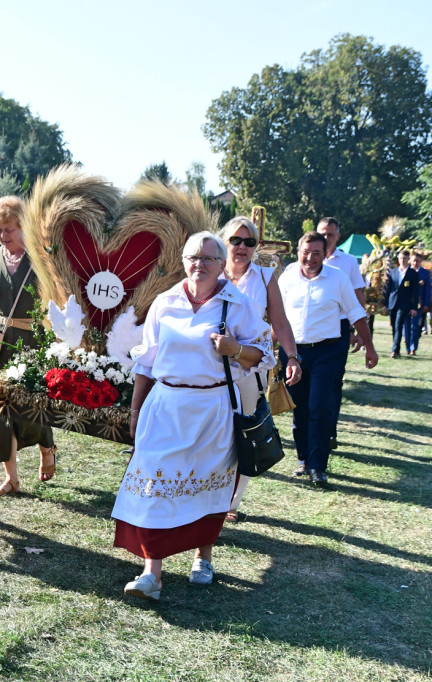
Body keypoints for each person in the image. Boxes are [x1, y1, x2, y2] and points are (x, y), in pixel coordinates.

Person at [112, 232, 273, 601]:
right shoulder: (165, 301)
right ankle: (151, 573)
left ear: (221, 265)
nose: (199, 264)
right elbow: (147, 360)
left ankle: (203, 556)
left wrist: (235, 349)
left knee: (207, 486)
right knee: (154, 481)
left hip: (211, 409)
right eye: (192, 258)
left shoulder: (237, 304)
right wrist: (135, 409)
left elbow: (264, 354)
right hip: (164, 407)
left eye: (208, 258)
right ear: (183, 262)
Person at [217, 216, 301, 522]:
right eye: (235, 241)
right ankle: (206, 491)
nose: (241, 247)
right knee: (213, 430)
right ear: (224, 243)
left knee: (244, 430)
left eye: (249, 242)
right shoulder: (210, 271)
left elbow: (280, 321)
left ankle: (230, 503)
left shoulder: (266, 276)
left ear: (256, 247)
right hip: (211, 365)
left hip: (250, 367)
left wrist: (292, 357)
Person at [279, 232, 378, 484]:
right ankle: (303, 459)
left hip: (327, 351)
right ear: (298, 250)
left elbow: (356, 312)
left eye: (316, 253)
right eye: (306, 251)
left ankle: (317, 466)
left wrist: (369, 346)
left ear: (325, 254)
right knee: (298, 406)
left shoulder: (337, 278)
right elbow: (277, 315)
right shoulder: (287, 275)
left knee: (320, 406)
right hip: (293, 352)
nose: (310, 258)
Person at [0, 196, 59, 496]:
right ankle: (12, 478)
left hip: (33, 342)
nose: (3, 236)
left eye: (10, 229)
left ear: (23, 227)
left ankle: (46, 446)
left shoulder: (42, 260)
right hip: (0, 342)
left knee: (31, 406)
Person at [315, 217, 368, 451]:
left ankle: (329, 431)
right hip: (309, 331)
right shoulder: (304, 259)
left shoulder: (347, 262)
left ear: (338, 236)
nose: (327, 239)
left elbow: (358, 296)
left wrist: (358, 331)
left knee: (334, 384)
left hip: (339, 330)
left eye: (331, 235)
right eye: (323, 234)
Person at [383, 250, 419, 358]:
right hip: (392, 302)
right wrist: (385, 304)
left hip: (404, 304)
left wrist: (414, 307)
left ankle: (394, 350)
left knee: (399, 325)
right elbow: (388, 289)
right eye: (400, 258)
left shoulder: (413, 274)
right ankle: (397, 349)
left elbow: (415, 292)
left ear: (408, 259)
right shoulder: (393, 272)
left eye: (404, 258)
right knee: (394, 326)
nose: (402, 260)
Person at [410, 252, 432, 353]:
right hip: (406, 302)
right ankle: (408, 343)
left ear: (420, 261)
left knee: (415, 325)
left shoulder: (425, 273)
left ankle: (413, 347)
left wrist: (426, 304)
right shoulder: (406, 271)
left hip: (419, 303)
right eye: (414, 260)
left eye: (417, 261)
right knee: (406, 325)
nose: (415, 263)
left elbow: (428, 289)